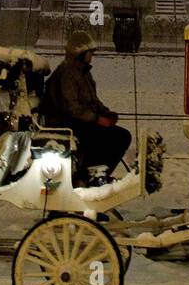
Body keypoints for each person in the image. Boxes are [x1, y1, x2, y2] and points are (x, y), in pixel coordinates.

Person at [42, 29, 131, 179]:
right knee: (119, 137)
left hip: (80, 121)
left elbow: (92, 100)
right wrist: (97, 119)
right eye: (90, 53)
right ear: (80, 53)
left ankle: (97, 172)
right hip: (66, 123)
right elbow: (71, 108)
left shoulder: (83, 72)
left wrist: (106, 113)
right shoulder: (67, 73)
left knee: (120, 135)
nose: (92, 56)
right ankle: (91, 174)